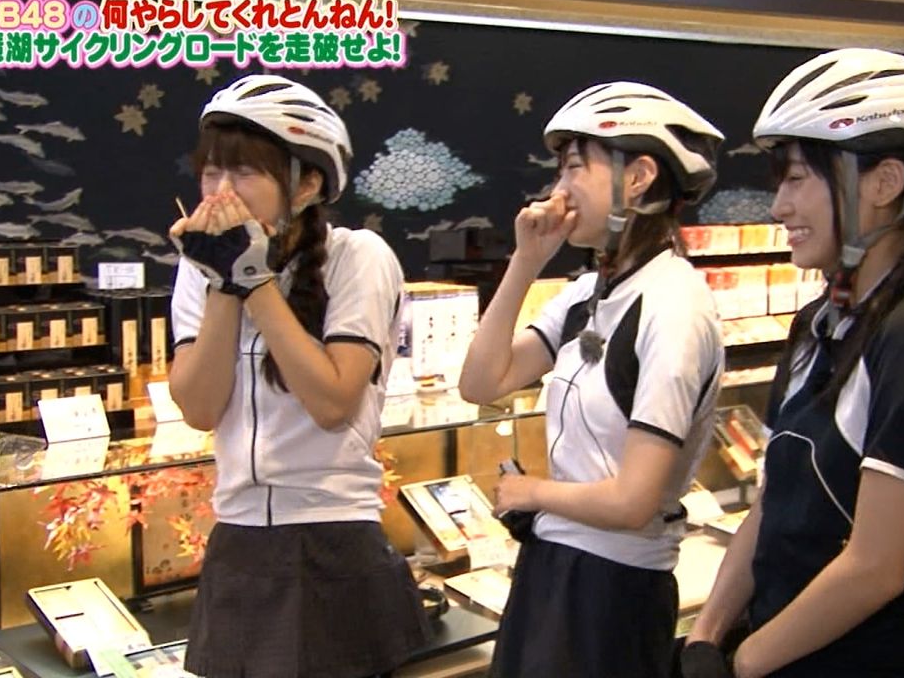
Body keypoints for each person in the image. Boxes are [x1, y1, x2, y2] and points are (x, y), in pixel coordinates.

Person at [683, 49, 904, 678]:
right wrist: (706, 634)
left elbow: (875, 567)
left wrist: (745, 661)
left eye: (798, 179)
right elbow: (775, 500)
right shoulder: (818, 324)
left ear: (883, 183)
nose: (779, 206)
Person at [458, 81, 726, 678]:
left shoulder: (674, 307)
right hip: (555, 566)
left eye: (576, 166)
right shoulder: (589, 292)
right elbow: (481, 382)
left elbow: (633, 500)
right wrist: (526, 261)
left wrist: (531, 493)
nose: (559, 188)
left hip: (612, 589)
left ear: (639, 177)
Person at [167, 74, 430, 678]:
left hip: (332, 543)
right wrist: (224, 281)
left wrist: (254, 279)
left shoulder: (359, 256)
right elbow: (199, 409)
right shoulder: (199, 269)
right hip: (237, 542)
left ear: (307, 184)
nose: (221, 192)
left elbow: (333, 402)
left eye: (244, 173)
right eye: (211, 172)